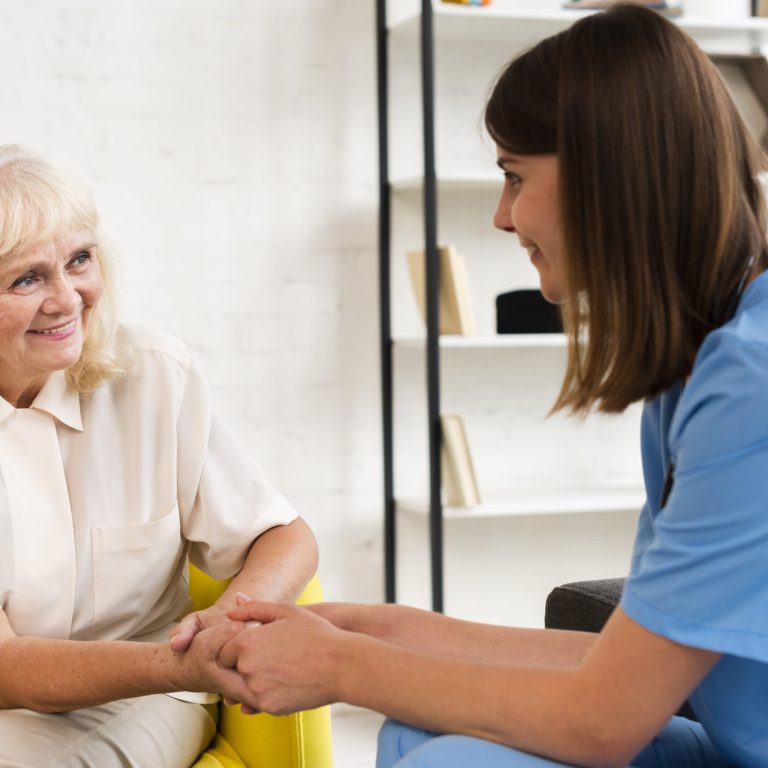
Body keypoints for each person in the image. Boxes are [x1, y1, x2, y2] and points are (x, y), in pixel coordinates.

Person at [183, 5, 768, 767]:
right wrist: (366, 630)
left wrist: (341, 666)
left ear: (606, 177)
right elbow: (619, 666)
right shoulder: (698, 363)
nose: (501, 217)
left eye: (515, 177)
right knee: (421, 726)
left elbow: (602, 721)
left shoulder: (749, 389)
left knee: (443, 759)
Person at [0, 144, 318, 768]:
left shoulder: (153, 376)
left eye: (79, 260)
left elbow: (285, 536)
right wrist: (188, 653)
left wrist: (223, 627)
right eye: (26, 278)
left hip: (150, 694)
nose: (67, 300)